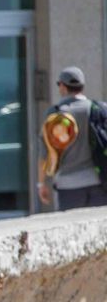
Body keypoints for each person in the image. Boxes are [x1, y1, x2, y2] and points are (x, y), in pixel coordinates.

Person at [39, 66, 107, 210]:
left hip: (68, 186)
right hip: (98, 182)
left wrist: (41, 184)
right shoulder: (99, 109)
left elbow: (45, 153)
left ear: (63, 87)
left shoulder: (54, 114)